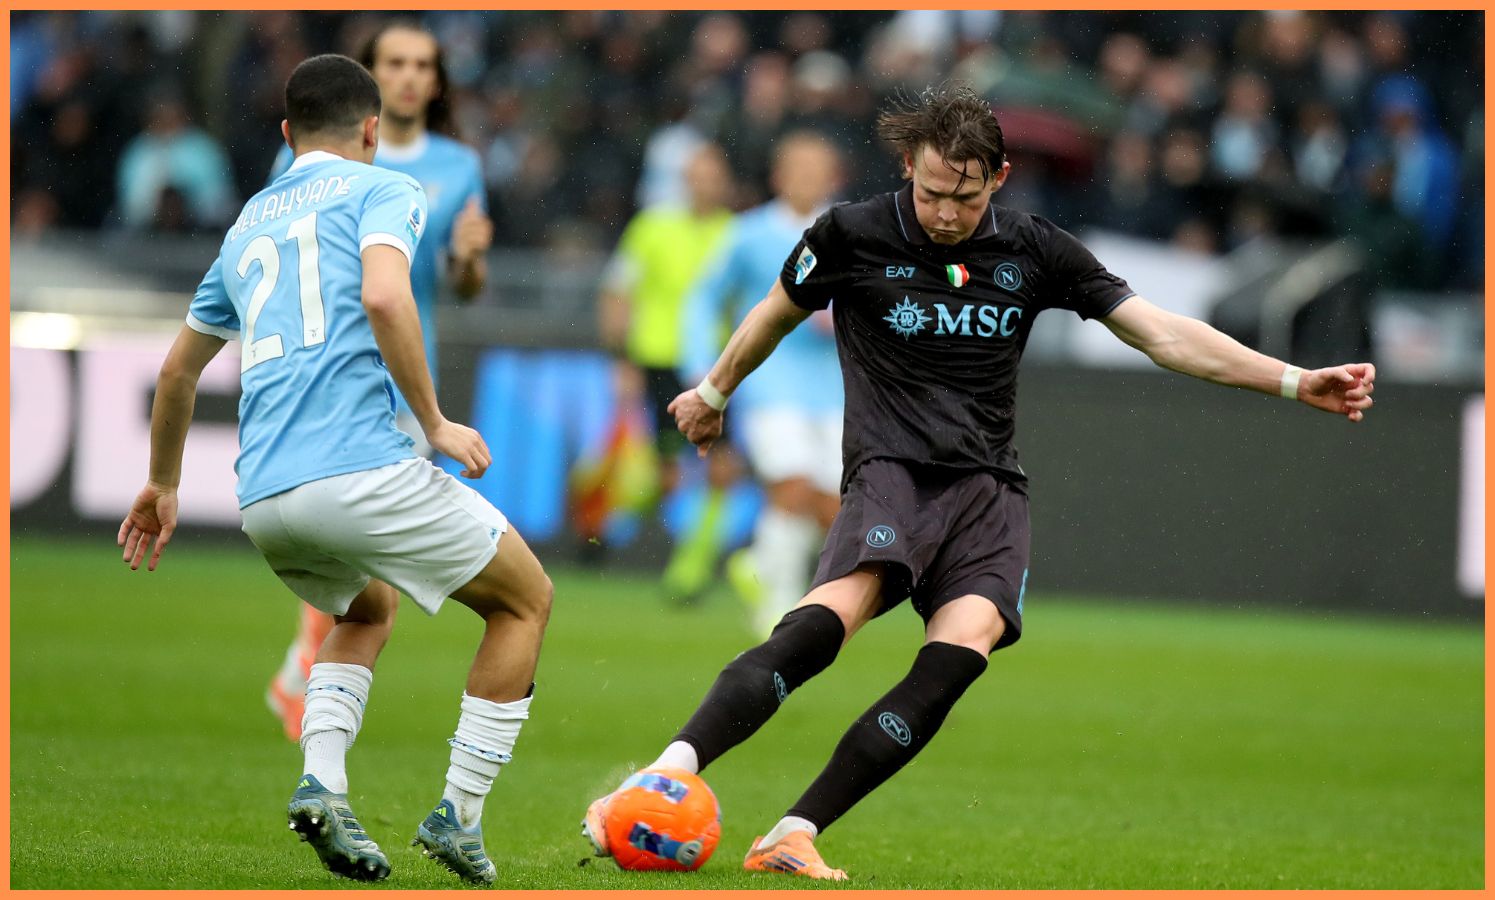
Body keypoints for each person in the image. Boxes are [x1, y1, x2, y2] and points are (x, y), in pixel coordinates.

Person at [582, 83, 1375, 881]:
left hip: (991, 490)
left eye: (963, 197)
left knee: (960, 655)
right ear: (907, 169)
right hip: (892, 472)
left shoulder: (1033, 249)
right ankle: (667, 770)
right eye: (929, 192)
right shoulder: (848, 233)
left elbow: (1161, 334)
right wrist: (713, 393)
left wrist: (1292, 380)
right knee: (827, 626)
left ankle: (794, 830)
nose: (944, 213)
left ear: (995, 179)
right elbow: (772, 313)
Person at [117, 54, 551, 885]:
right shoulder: (384, 188)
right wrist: (433, 423)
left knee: (367, 607)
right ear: (371, 130)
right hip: (359, 470)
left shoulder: (248, 223)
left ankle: (323, 783)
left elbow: (177, 371)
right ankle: (458, 818)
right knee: (525, 601)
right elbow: (388, 296)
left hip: (266, 496)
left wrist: (163, 483)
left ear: (285, 134)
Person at [264, 22, 494, 743]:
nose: (409, 77)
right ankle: (307, 672)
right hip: (326, 372)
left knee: (366, 562)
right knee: (365, 555)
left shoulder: (457, 164)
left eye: (422, 65)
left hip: (400, 373)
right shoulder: (303, 155)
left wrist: (466, 260)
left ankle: (303, 674)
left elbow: (463, 286)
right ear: (368, 77)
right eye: (394, 63)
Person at [678, 131, 845, 638]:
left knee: (833, 511)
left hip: (838, 388)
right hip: (770, 384)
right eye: (799, 168)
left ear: (833, 178)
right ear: (779, 175)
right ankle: (778, 608)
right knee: (791, 484)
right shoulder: (750, 234)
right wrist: (701, 368)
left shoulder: (851, 233)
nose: (808, 180)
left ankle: (757, 563)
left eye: (818, 170)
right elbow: (703, 298)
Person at [597, 143, 739, 603]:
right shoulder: (652, 227)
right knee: (668, 475)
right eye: (697, 175)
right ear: (685, 181)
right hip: (658, 359)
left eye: (713, 176)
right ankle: (610, 522)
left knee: (722, 467)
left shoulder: (736, 234)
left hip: (718, 365)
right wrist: (621, 358)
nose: (705, 184)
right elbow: (619, 291)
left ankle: (690, 570)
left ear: (725, 183)